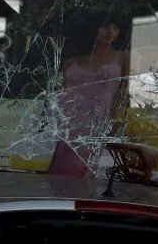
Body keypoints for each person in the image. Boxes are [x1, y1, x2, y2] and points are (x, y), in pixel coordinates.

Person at [49, 15, 131, 176]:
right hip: (69, 127)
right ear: (92, 29)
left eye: (115, 28)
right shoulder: (70, 62)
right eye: (105, 27)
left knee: (90, 178)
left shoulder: (123, 57)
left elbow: (123, 94)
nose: (110, 32)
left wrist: (117, 127)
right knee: (61, 175)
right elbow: (63, 96)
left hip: (101, 126)